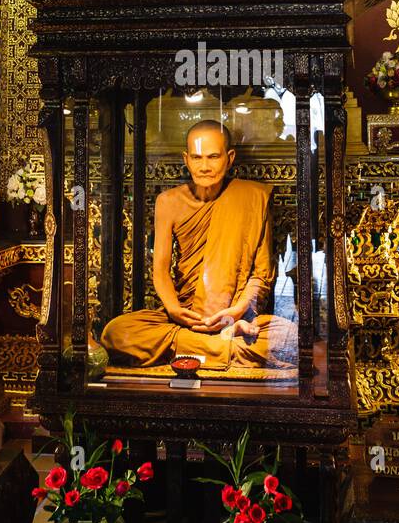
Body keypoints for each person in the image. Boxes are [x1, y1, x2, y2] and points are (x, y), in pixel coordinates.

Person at [102, 120, 296, 370]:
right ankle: (224, 347)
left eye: (213, 157)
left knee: (290, 340)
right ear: (186, 159)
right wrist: (173, 309)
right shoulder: (168, 202)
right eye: (197, 157)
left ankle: (190, 349)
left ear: (230, 157)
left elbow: (261, 276)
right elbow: (160, 269)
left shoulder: (253, 197)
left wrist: (235, 313)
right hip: (185, 317)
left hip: (236, 316)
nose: (204, 167)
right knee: (115, 333)